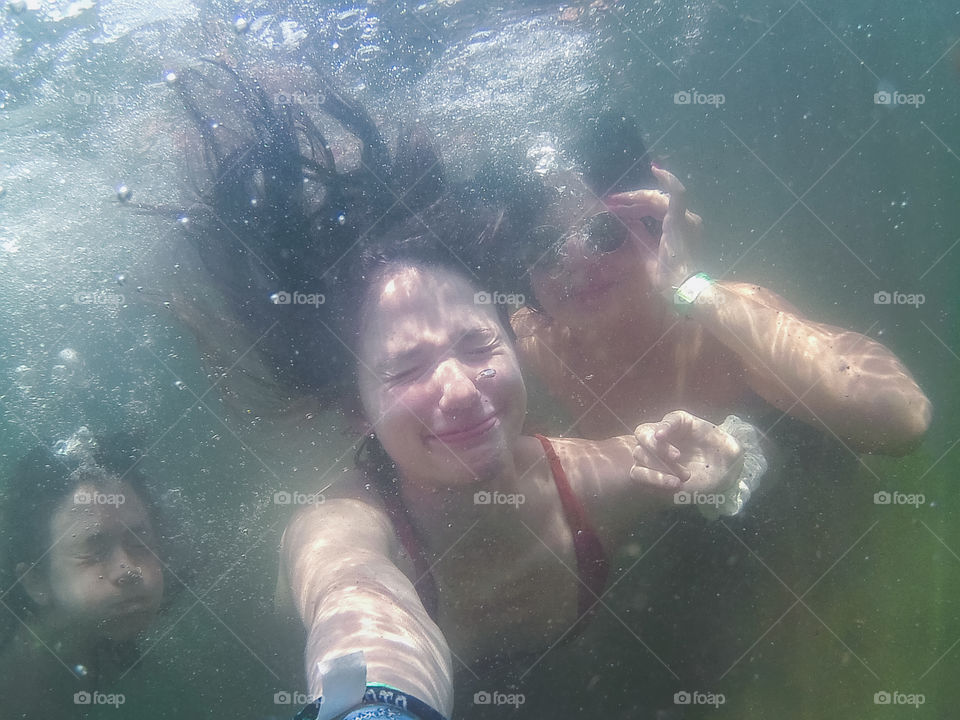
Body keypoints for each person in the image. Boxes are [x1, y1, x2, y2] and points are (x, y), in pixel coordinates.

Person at [167, 65, 768, 719]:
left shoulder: (595, 479)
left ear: (515, 344)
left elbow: (736, 447)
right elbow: (353, 600)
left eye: (477, 346)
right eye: (406, 369)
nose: (458, 389)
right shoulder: (338, 529)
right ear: (356, 409)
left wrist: (723, 462)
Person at [505, 114, 932, 454]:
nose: (576, 264)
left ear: (656, 222)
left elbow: (903, 416)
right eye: (544, 246)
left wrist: (690, 286)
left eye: (603, 233)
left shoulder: (724, 320)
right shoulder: (533, 339)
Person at [0, 430, 170, 718]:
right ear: (35, 581)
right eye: (95, 551)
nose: (129, 570)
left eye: (139, 543)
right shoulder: (12, 679)